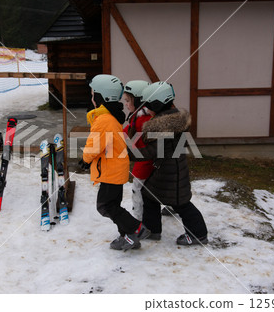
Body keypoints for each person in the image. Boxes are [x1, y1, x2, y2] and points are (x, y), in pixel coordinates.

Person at [128, 81, 208, 245]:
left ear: (157, 104)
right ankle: (153, 230)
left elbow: (151, 152)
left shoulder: (164, 127)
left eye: (148, 105)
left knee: (182, 205)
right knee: (149, 195)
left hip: (172, 175)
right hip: (168, 170)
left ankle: (198, 235)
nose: (146, 109)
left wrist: (128, 152)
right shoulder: (174, 119)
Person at [79, 74, 150, 251]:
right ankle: (129, 237)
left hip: (111, 171)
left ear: (101, 97)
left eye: (93, 94)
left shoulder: (103, 121)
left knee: (105, 206)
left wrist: (85, 159)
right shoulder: (110, 118)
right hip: (115, 170)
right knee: (113, 206)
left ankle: (137, 229)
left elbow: (94, 145)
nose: (92, 97)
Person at [122, 80, 154, 221]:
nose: (126, 104)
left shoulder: (142, 121)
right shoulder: (143, 116)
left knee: (138, 191)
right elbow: (129, 130)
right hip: (148, 162)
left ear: (139, 100)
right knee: (150, 190)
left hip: (144, 163)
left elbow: (134, 138)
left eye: (128, 100)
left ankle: (138, 220)